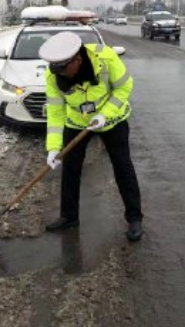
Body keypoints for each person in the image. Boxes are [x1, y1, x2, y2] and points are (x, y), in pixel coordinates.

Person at [38, 31, 144, 241]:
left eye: (64, 69)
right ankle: (69, 217)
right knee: (70, 169)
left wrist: (105, 115)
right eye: (57, 70)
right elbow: (56, 112)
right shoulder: (54, 76)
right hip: (76, 123)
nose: (61, 74)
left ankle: (134, 218)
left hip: (113, 121)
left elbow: (124, 88)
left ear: (77, 59)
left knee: (123, 166)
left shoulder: (105, 59)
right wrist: (53, 147)